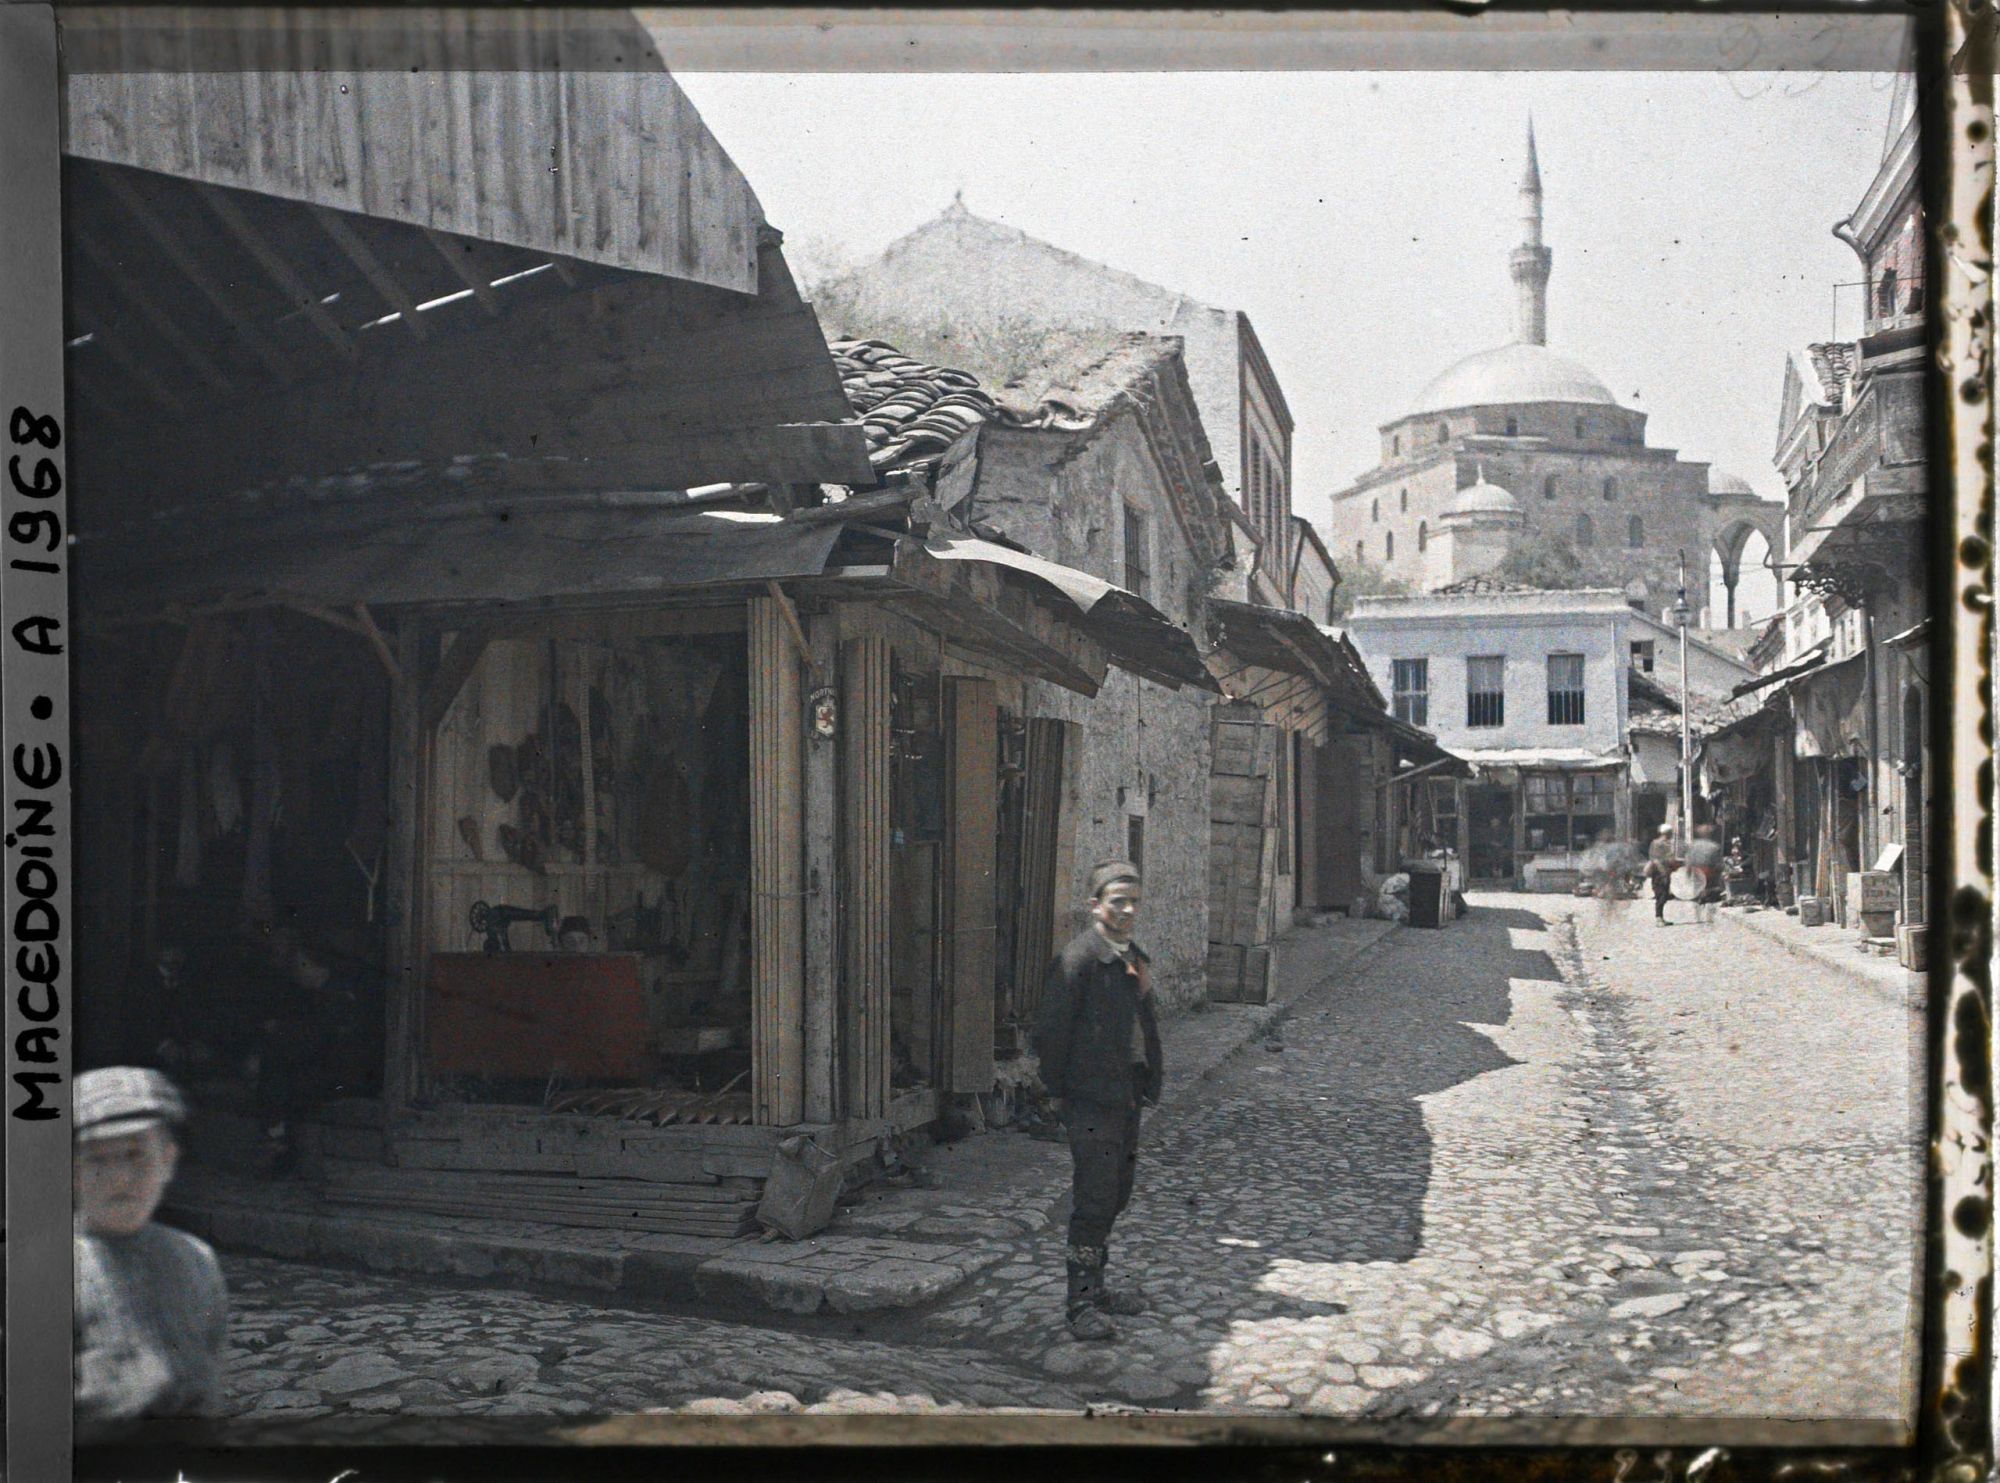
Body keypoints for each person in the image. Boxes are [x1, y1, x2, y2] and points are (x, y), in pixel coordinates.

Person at [1033, 860, 1163, 1342]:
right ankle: (1080, 1303)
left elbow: (1143, 1024)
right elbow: (1050, 1034)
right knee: (1094, 1197)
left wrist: (1149, 1079)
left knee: (1117, 1192)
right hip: (1091, 1099)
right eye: (1117, 902)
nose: (1128, 910)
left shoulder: (1133, 957)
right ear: (1095, 906)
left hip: (1125, 1095)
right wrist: (1061, 1093)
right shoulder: (1078, 961)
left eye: (1134, 902)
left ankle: (1099, 1290)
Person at [73, 1066, 230, 1439]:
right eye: (98, 1159)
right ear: (70, 1170)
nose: (120, 1178)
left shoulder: (196, 1261)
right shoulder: (39, 1270)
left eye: (136, 1155)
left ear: (168, 1160)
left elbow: (208, 1395)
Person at [1684, 824, 1726, 926]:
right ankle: (1709, 917)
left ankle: (1698, 916)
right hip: (1709, 872)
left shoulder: (1693, 845)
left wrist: (1688, 873)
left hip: (1696, 872)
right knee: (1711, 896)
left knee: (1697, 894)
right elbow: (1718, 863)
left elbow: (1688, 860)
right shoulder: (1715, 846)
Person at [1643, 824, 1681, 926]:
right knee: (1660, 894)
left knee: (1665, 894)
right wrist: (1663, 872)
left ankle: (1661, 917)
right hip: (1659, 873)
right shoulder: (1657, 844)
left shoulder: (1668, 844)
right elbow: (1655, 860)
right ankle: (1658, 918)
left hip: (1666, 871)